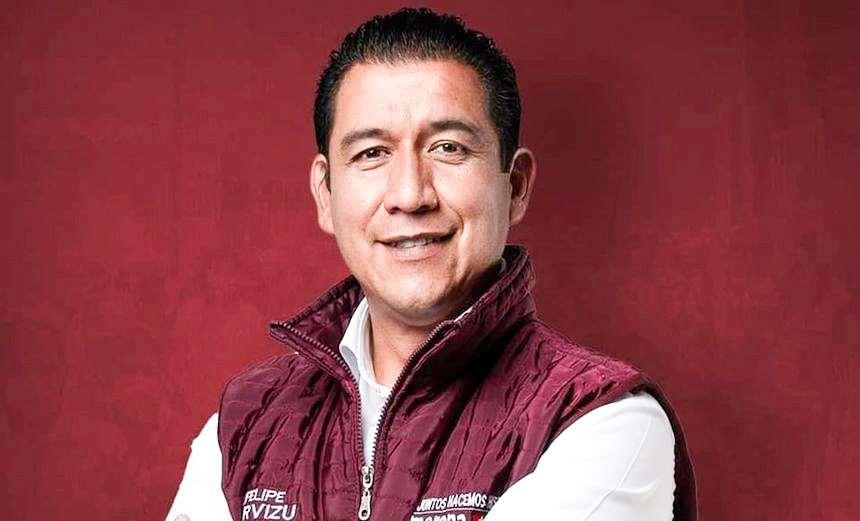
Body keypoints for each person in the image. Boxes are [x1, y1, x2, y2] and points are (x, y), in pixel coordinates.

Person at [166, 8, 696, 521]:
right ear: (325, 194)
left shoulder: (603, 420)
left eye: (448, 148)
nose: (409, 194)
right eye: (372, 153)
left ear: (515, 186)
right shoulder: (243, 425)